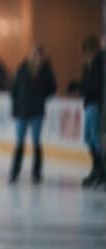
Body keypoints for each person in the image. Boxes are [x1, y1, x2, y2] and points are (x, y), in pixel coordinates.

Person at [9, 46, 57, 184]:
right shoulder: (22, 69)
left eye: (40, 56)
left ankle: (36, 173)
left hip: (37, 112)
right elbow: (14, 90)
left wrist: (41, 96)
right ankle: (14, 172)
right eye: (35, 55)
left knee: (36, 142)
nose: (37, 58)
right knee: (19, 142)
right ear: (31, 56)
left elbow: (52, 88)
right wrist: (15, 110)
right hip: (22, 112)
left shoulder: (46, 71)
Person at [68, 37, 103, 188]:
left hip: (97, 105)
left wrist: (79, 85)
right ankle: (96, 170)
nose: (85, 55)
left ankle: (101, 172)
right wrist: (79, 86)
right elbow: (87, 85)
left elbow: (94, 85)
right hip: (89, 105)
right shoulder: (89, 65)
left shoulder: (99, 64)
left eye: (87, 51)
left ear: (93, 50)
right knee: (89, 140)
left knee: (96, 141)